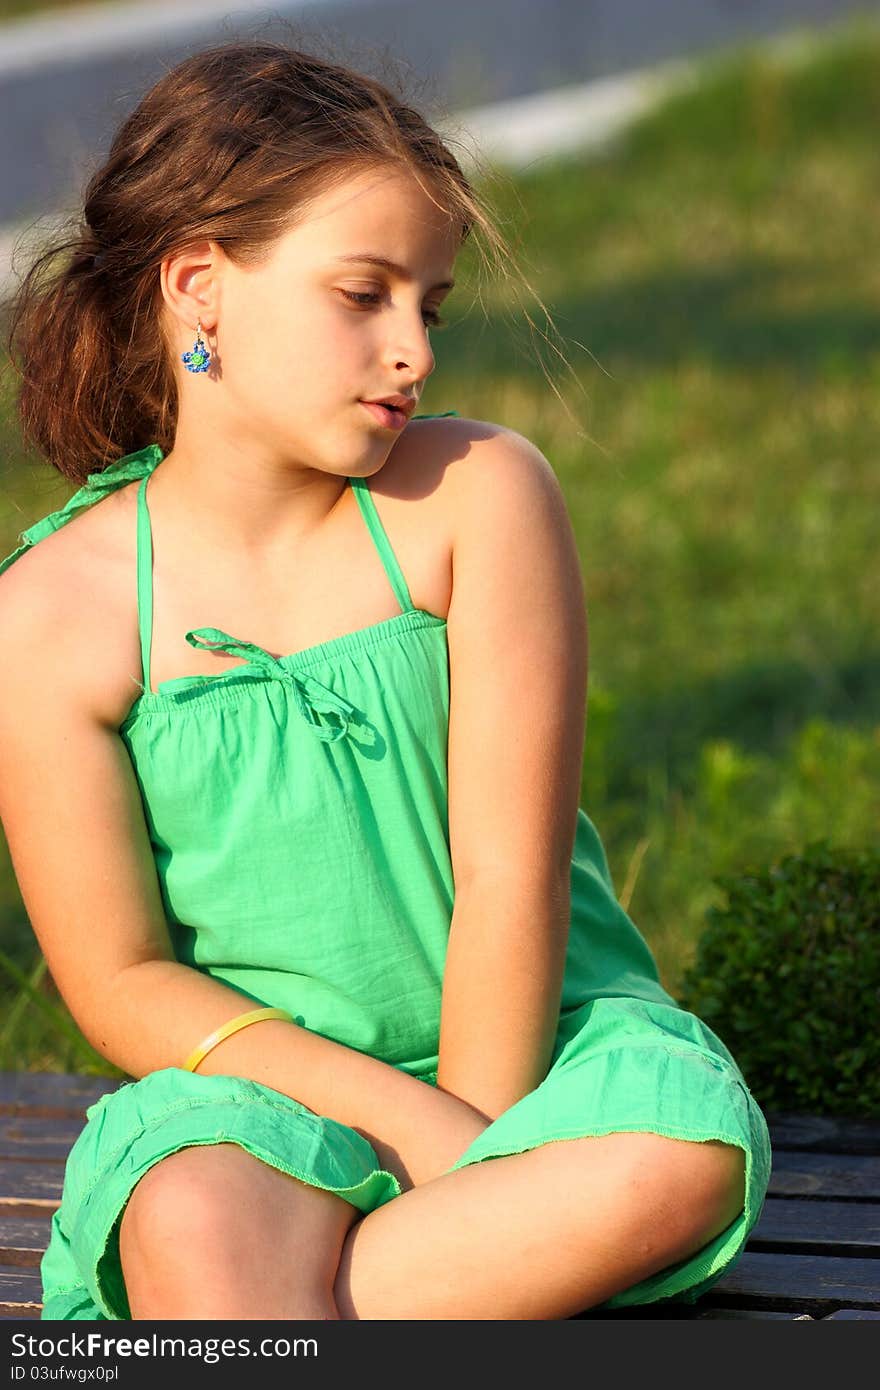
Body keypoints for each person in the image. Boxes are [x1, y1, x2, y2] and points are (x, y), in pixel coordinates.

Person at [0, 39, 770, 1322]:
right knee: (191, 1211)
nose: (412, 349)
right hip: (266, 1098)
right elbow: (125, 978)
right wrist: (399, 1126)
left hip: (540, 1051)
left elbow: (508, 873)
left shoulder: (477, 497)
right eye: (363, 294)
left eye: (430, 303)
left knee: (676, 1152)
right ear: (199, 287)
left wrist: (466, 1135)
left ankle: (300, 1317)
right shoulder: (46, 618)